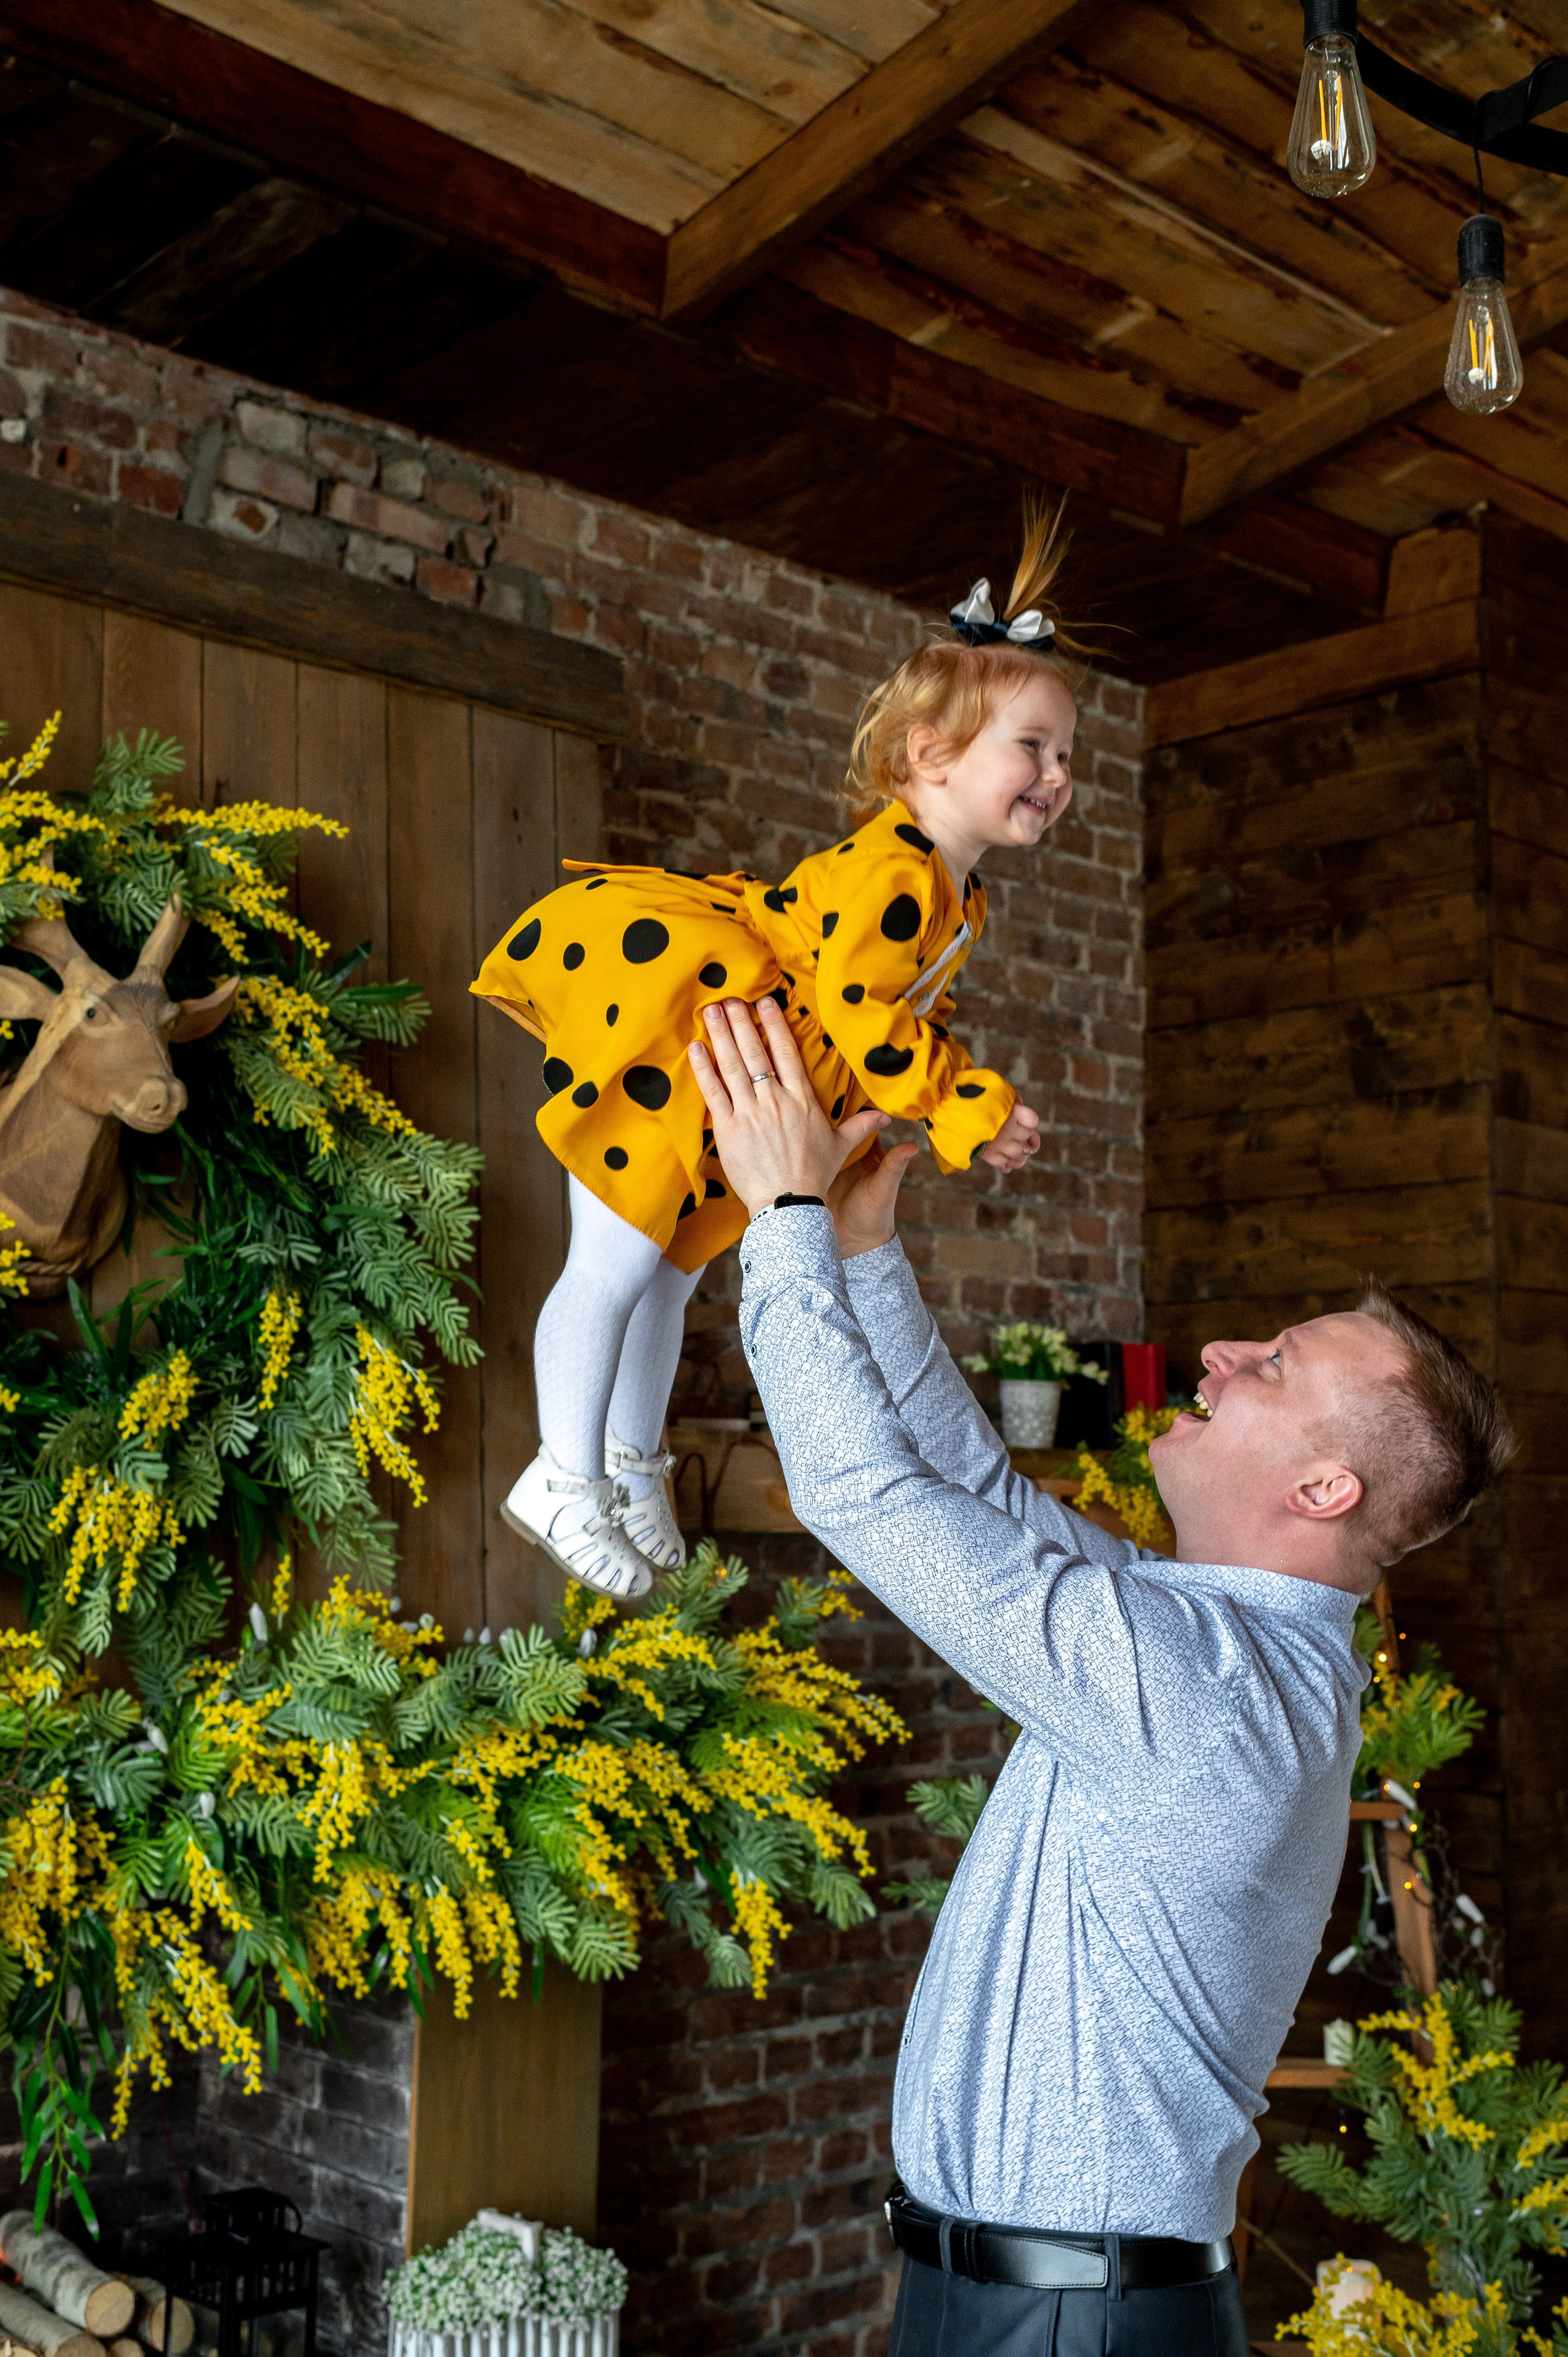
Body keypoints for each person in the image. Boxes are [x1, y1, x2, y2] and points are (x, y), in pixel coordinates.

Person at [684, 991, 1515, 2357]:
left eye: (1272, 1363)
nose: (1218, 1354)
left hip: (1072, 2323)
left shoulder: (1211, 1690)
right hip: (1032, 2301)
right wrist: (861, 1244)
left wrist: (775, 1220)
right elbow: (963, 1487)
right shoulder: (1207, 1636)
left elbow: (867, 1497)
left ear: (1322, 1484)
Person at [469, 508, 1084, 1598]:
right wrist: (962, 1103)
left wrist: (955, 1094)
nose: (1056, 771)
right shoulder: (897, 873)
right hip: (681, 1032)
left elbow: (896, 1017)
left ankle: (624, 1460)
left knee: (669, 1274)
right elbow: (861, 1011)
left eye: (1066, 754)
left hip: (735, 1079)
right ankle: (560, 1476)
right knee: (613, 1267)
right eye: (1032, 747)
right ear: (929, 755)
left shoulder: (954, 895)